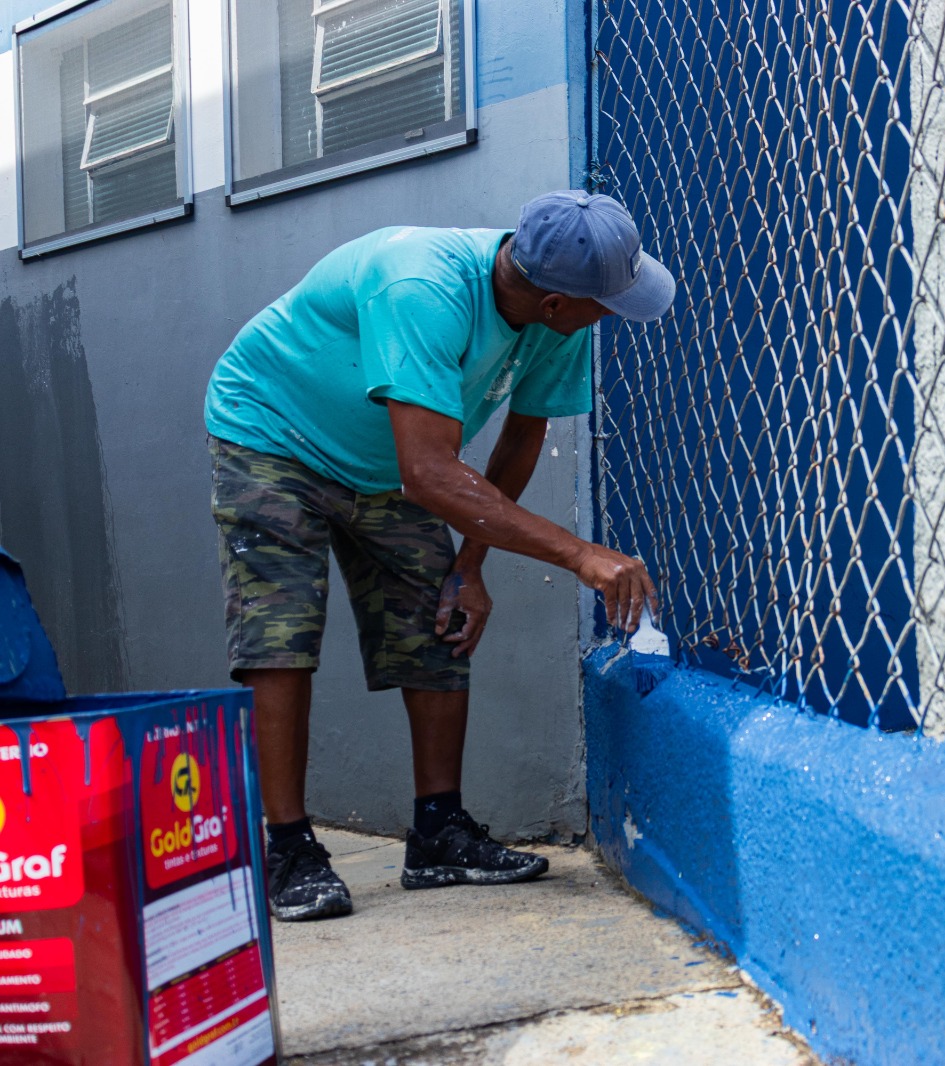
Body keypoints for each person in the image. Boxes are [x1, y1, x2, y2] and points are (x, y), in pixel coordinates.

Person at [204, 190, 667, 921]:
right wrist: (579, 553)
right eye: (607, 303)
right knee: (282, 631)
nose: (612, 314)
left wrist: (472, 565)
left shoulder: (557, 313)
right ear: (553, 302)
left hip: (385, 462)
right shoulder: (420, 285)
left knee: (437, 610)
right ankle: (288, 847)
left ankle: (439, 833)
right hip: (273, 434)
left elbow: (518, 439)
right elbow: (429, 473)